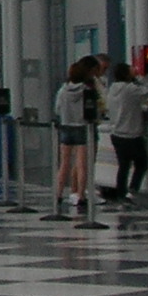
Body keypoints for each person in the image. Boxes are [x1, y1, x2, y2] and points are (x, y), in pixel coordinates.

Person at [51, 59, 92, 220]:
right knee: (81, 164)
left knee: (64, 163)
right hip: (82, 127)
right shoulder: (86, 91)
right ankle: (80, 194)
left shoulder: (62, 91)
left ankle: (59, 193)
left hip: (66, 127)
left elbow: (57, 109)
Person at [105, 60, 148, 204]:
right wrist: (139, 77)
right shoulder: (130, 89)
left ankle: (121, 193)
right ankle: (132, 190)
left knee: (123, 166)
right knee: (141, 164)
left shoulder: (112, 89)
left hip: (117, 133)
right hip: (132, 133)